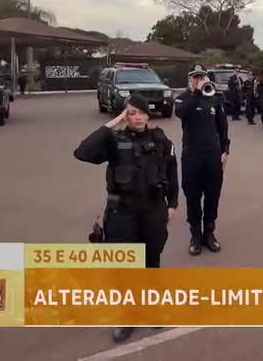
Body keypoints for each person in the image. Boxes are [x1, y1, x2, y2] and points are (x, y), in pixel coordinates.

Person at [73, 95, 178, 343]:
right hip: (123, 214)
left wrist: (172, 204)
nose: (137, 117)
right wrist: (112, 122)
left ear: (148, 115)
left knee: (151, 264)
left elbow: (172, 173)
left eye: (141, 112)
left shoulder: (161, 140)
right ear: (125, 116)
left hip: (152, 211)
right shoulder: (114, 140)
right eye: (131, 113)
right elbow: (82, 152)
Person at [175, 66, 230, 256]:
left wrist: (225, 150)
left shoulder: (214, 98)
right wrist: (196, 92)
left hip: (212, 156)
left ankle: (209, 232)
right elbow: (182, 113)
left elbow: (222, 126)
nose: (198, 79)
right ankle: (195, 235)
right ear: (189, 79)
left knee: (213, 195)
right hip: (191, 156)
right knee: (192, 196)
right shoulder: (183, 98)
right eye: (195, 77)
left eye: (201, 76)